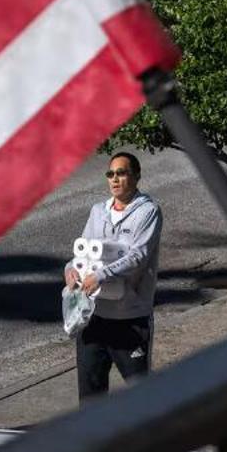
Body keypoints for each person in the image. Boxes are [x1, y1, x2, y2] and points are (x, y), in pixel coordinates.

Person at [65, 150, 163, 400]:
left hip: (130, 319)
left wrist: (100, 275)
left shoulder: (148, 212)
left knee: (141, 393)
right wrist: (71, 270)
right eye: (111, 174)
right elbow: (83, 251)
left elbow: (137, 256)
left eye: (122, 173)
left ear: (137, 176)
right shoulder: (98, 211)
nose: (115, 179)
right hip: (94, 318)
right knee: (91, 394)